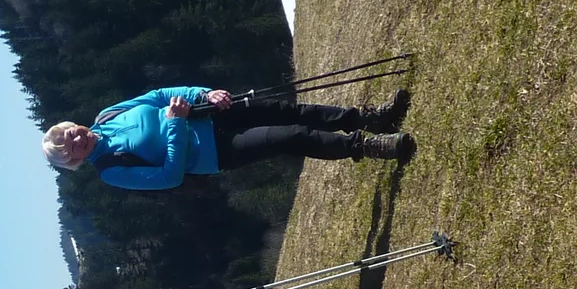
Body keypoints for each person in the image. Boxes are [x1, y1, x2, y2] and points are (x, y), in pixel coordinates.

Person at [41, 85, 415, 190]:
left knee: (289, 111)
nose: (76, 140)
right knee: (289, 136)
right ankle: (366, 145)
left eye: (69, 134)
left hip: (212, 111)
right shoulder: (110, 170)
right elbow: (169, 177)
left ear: (71, 124)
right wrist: (175, 124)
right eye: (70, 149)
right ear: (74, 161)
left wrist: (203, 94)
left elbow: (159, 95)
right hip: (217, 152)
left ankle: (370, 118)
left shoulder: (107, 115)